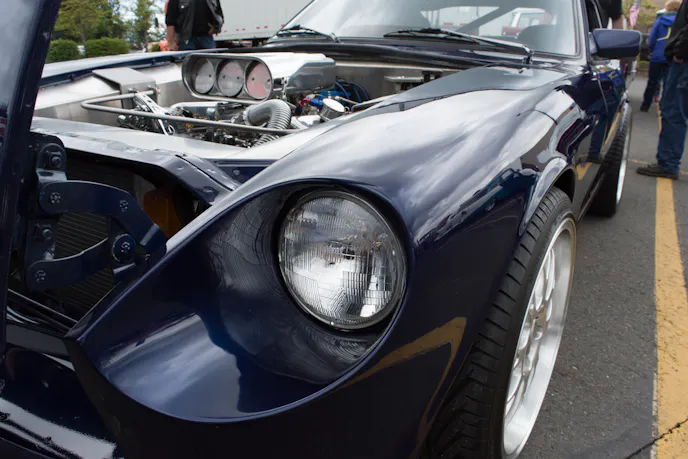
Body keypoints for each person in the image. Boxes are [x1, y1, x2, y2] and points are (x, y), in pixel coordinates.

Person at [638, 0, 688, 179]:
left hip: (683, 61)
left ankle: (668, 163)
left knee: (674, 111)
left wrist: (680, 51)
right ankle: (668, 162)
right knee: (675, 110)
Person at [641, 1, 680, 112]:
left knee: (652, 81)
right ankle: (664, 107)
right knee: (669, 83)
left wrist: (652, 51)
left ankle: (645, 105)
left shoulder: (660, 20)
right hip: (672, 56)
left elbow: (652, 38)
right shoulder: (681, 22)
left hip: (657, 55)